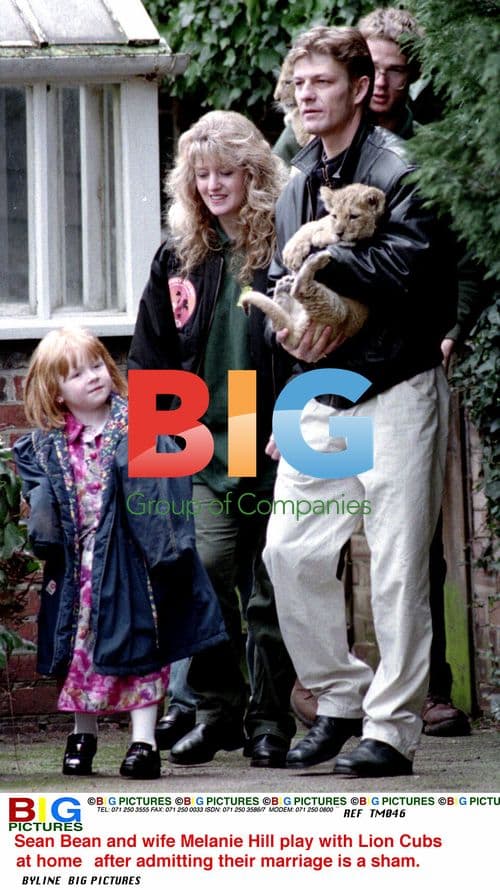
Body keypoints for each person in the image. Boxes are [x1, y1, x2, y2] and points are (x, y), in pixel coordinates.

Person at [262, 24, 457, 777]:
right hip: (320, 396)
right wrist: (293, 345)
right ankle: (341, 695)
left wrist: (324, 257)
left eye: (321, 82)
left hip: (397, 389)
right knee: (290, 551)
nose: (307, 96)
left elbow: (410, 269)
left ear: (356, 86)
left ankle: (391, 729)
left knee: (399, 568)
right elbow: (288, 290)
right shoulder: (296, 180)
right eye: (299, 85)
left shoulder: (403, 168)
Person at [128, 110, 297, 768]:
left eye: (227, 172)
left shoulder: (285, 245)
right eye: (202, 175)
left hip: (275, 432)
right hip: (203, 441)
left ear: (254, 175)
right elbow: (149, 357)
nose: (214, 185)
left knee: (270, 585)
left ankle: (269, 720)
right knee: (203, 569)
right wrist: (160, 440)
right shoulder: (179, 254)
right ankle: (218, 707)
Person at [13, 326, 226, 779]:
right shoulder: (46, 445)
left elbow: (164, 493)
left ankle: (144, 742)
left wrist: (164, 552)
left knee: (141, 649)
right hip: (79, 568)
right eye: (76, 374)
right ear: (55, 393)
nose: (92, 377)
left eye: (97, 365)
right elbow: (43, 507)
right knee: (78, 652)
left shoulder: (140, 426)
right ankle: (82, 733)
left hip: (132, 564)